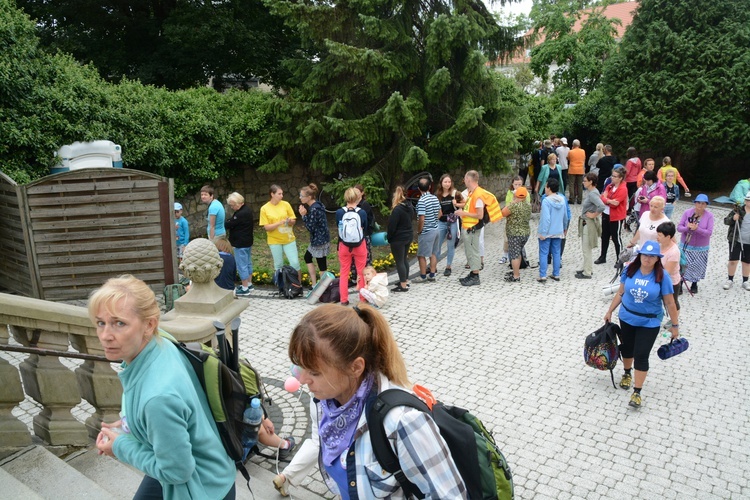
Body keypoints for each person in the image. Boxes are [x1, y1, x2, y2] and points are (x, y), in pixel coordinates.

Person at [287, 304, 467, 498]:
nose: (302, 380)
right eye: (299, 367)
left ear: (355, 367)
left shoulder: (402, 422)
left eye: (314, 372)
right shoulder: (325, 405)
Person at [90, 275, 237, 499]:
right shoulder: (161, 342)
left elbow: (177, 472)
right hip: (212, 470)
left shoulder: (157, 398)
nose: (105, 336)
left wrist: (120, 446)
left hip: (202, 489)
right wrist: (130, 423)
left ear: (149, 324)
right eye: (101, 322)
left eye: (119, 323)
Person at [603, 242, 679, 409]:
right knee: (627, 348)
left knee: (642, 354)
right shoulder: (629, 270)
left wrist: (675, 325)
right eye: (645, 255)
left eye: (652, 256)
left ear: (657, 259)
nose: (647, 258)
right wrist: (609, 311)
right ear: (640, 255)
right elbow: (621, 292)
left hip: (649, 322)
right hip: (627, 317)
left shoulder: (662, 276)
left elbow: (670, 302)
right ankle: (627, 373)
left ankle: (637, 392)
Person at [455, 170, 493, 286]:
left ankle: (475, 276)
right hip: (469, 227)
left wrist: (463, 214)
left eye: (465, 179)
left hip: (473, 228)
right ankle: (472, 273)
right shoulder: (473, 193)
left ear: (469, 180)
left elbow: (479, 215)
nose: (464, 181)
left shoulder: (477, 194)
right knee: (470, 251)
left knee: (473, 251)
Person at [259, 185, 301, 280]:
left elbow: (293, 220)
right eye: (279, 194)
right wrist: (279, 223)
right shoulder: (264, 208)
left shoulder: (286, 204)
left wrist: (289, 221)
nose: (282, 196)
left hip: (288, 239)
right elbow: (267, 227)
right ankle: (282, 286)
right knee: (278, 264)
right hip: (274, 240)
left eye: (282, 193)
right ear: (272, 194)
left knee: (295, 263)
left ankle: (298, 285)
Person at [336, 187, 369, 305]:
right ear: (357, 198)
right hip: (359, 245)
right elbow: (365, 227)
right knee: (361, 272)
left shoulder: (340, 212)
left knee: (344, 272)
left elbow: (338, 227)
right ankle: (362, 299)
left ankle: (344, 299)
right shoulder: (362, 212)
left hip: (344, 245)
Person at [677, 194, 714, 294]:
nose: (700, 205)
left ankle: (694, 283)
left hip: (701, 247)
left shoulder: (709, 216)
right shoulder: (687, 213)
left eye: (703, 203)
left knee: (698, 266)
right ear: (695, 203)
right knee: (683, 265)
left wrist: (698, 229)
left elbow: (709, 232)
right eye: (698, 203)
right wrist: (687, 228)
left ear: (706, 205)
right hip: (686, 245)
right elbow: (679, 228)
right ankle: (680, 283)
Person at [299, 183, 330, 287]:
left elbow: (310, 227)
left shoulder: (314, 209)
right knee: (308, 257)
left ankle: (322, 288)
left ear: (309, 197)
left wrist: (303, 215)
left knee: (321, 264)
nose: (300, 197)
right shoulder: (317, 205)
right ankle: (315, 284)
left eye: (302, 196)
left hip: (319, 241)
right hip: (321, 239)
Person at [537, 179, 568, 283]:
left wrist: (543, 233)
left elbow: (546, 218)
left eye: (546, 187)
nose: (545, 188)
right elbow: (565, 216)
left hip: (547, 231)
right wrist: (564, 228)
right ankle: (556, 274)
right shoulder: (562, 199)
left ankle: (543, 275)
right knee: (556, 253)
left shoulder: (546, 200)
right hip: (558, 231)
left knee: (544, 253)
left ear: (549, 188)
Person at [596, 166, 628, 265]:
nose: (612, 178)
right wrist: (608, 201)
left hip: (616, 216)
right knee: (604, 236)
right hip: (606, 214)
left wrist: (607, 200)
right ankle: (603, 256)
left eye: (615, 176)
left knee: (616, 237)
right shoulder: (610, 186)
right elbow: (602, 197)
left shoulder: (623, 189)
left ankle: (620, 259)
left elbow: (616, 204)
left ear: (620, 178)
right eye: (612, 176)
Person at [577, 172, 606, 279]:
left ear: (591, 182)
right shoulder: (591, 192)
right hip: (585, 222)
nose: (583, 183)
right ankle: (586, 268)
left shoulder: (593, 194)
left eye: (585, 181)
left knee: (586, 248)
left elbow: (602, 206)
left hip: (588, 224)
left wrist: (594, 214)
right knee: (586, 248)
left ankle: (587, 272)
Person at [225, 192, 254, 296]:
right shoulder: (247, 210)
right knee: (248, 262)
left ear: (239, 202)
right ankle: (249, 284)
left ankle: (245, 288)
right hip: (248, 241)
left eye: (233, 205)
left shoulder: (241, 214)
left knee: (242, 265)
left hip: (240, 243)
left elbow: (229, 223)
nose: (232, 207)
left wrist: (228, 221)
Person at [501, 186, 531, 282]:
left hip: (514, 234)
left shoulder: (513, 206)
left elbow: (503, 212)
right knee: (518, 252)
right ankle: (516, 271)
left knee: (514, 254)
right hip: (525, 233)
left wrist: (512, 201)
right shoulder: (528, 205)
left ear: (516, 195)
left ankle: (516, 276)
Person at [414, 177, 441, 282]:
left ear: (418, 188)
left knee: (421, 255)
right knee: (434, 253)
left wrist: (419, 230)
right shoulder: (434, 198)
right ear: (429, 187)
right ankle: (432, 275)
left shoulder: (421, 201)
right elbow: (440, 213)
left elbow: (421, 218)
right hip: (436, 229)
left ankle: (423, 276)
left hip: (426, 231)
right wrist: (433, 221)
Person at [387, 186, 413, 293]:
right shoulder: (410, 206)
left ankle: (403, 286)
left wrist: (389, 237)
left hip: (398, 238)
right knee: (404, 259)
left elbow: (392, 226)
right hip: (408, 236)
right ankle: (405, 280)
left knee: (399, 261)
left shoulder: (397, 210)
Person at [435, 174, 463, 276]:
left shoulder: (455, 193)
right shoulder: (437, 195)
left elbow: (465, 203)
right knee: (437, 244)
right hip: (441, 221)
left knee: (450, 245)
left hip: (452, 221)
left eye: (449, 182)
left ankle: (448, 266)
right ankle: (434, 266)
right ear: (441, 183)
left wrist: (456, 204)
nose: (447, 184)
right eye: (445, 182)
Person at [722, 191, 750, 290]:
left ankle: (745, 281)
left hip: (748, 242)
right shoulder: (738, 210)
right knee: (733, 260)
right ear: (745, 201)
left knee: (747, 262)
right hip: (736, 239)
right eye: (748, 200)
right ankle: (730, 279)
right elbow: (726, 221)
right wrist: (733, 218)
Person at [350, 184, 377, 286]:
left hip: (364, 235)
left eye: (357, 192)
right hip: (354, 237)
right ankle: (354, 277)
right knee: (353, 258)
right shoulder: (352, 204)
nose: (356, 194)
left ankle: (369, 277)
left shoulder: (364, 205)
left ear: (362, 193)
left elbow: (364, 222)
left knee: (366, 257)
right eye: (354, 192)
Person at [501, 176, 530, 265]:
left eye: (519, 184)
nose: (517, 186)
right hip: (516, 223)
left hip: (517, 226)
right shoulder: (510, 193)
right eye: (515, 184)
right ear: (512, 184)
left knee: (516, 249)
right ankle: (507, 256)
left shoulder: (524, 195)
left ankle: (516, 271)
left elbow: (504, 211)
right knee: (509, 242)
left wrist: (514, 201)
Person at [656, 221, 682, 311]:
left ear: (668, 237)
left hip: (671, 282)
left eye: (660, 235)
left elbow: (666, 272)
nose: (657, 237)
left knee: (672, 302)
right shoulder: (658, 246)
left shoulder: (674, 251)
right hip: (657, 278)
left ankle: (674, 320)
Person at [568, 139, 586, 204]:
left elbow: (568, 158)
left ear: (573, 145)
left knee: (571, 185)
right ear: (579, 145)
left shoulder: (571, 151)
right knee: (580, 185)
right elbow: (584, 158)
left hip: (572, 169)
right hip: (580, 169)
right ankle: (579, 199)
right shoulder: (583, 151)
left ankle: (572, 199)